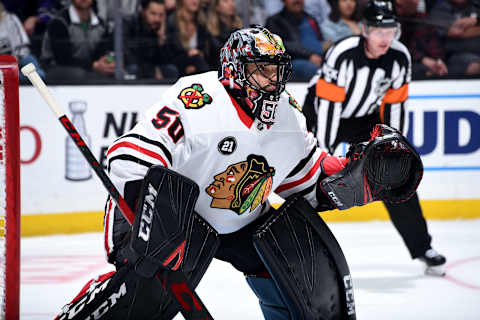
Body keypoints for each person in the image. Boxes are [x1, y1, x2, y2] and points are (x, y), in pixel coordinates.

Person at [54, 26, 422, 319]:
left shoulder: (288, 116)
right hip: (171, 216)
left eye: (277, 70)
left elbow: (306, 181)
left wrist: (349, 179)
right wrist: (153, 225)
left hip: (238, 218)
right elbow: (128, 157)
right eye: (262, 71)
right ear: (234, 71)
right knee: (141, 293)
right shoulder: (196, 99)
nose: (273, 82)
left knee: (297, 267)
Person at [302, 0, 447, 275]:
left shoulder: (399, 56)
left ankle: (422, 247)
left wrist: (394, 148)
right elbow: (328, 107)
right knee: (306, 177)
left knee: (395, 173)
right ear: (365, 30)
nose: (385, 38)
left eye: (390, 31)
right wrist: (323, 154)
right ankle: (298, 246)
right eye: (379, 31)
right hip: (319, 113)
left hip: (363, 118)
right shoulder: (342, 53)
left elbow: (396, 107)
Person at [40, 0, 115, 82]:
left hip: (89, 69)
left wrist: (106, 62)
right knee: (79, 74)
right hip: (56, 70)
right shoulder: (59, 22)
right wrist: (93, 66)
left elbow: (102, 53)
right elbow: (63, 59)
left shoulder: (102, 25)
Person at [266, 0, 329, 80]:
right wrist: (309, 55)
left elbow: (320, 40)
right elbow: (280, 45)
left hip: (319, 58)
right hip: (293, 61)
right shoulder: (275, 21)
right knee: (317, 71)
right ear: (284, 1)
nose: (297, 1)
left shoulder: (310, 19)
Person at [122, 0, 179, 80]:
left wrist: (161, 38)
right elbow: (129, 56)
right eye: (153, 14)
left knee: (171, 70)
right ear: (143, 11)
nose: (157, 19)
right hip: (135, 67)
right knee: (133, 69)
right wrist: (151, 70)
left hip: (154, 68)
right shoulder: (130, 24)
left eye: (161, 15)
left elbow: (170, 59)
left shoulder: (165, 28)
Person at [395, 0, 448, 78]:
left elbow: (435, 46)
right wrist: (422, 59)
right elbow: (398, 50)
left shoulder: (422, 19)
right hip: (404, 66)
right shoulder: (392, 21)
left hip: (428, 65)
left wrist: (438, 61)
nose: (416, 1)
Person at [428, 0, 480, 75]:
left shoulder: (476, 4)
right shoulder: (440, 8)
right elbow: (457, 32)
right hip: (455, 55)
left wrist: (475, 21)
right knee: (476, 66)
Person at [166, 0, 218, 76]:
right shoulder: (172, 22)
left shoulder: (202, 23)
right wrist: (188, 56)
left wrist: (200, 54)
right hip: (178, 67)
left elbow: (209, 51)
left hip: (199, 66)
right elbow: (169, 54)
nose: (195, 1)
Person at [0, 1, 46, 83]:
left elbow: (22, 47)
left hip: (13, 64)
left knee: (31, 64)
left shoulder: (10, 19)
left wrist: (11, 64)